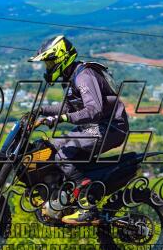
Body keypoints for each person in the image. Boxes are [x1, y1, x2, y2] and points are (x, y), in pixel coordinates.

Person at [28, 35, 129, 224]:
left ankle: (88, 207)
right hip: (94, 127)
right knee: (51, 146)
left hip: (110, 127)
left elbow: (94, 110)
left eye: (50, 63)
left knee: (63, 155)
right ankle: (64, 194)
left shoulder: (84, 76)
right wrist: (40, 111)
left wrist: (62, 119)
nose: (48, 68)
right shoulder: (71, 76)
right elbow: (68, 107)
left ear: (61, 58)